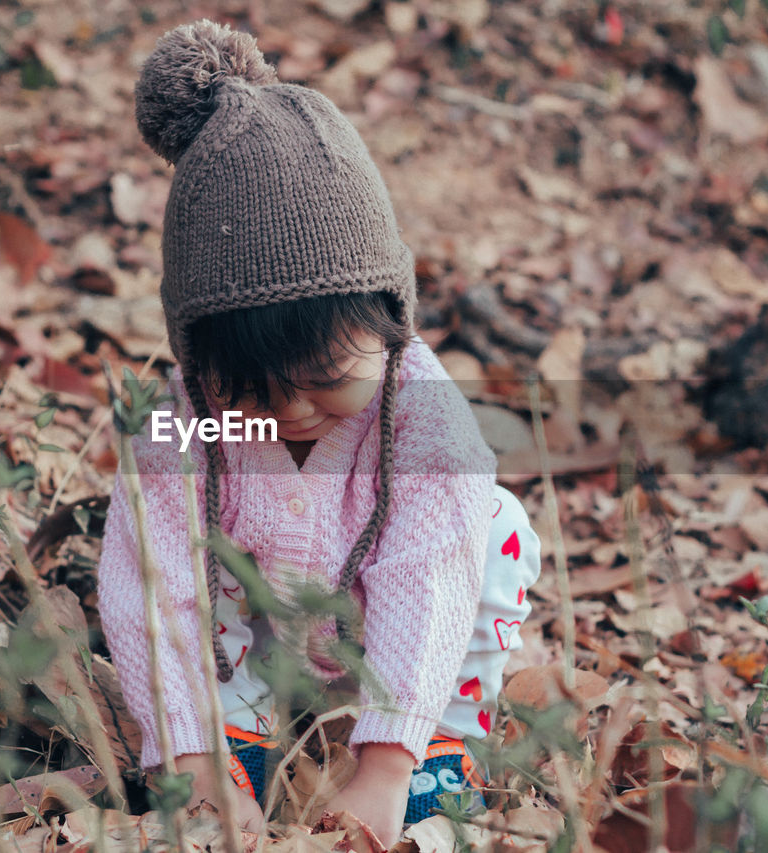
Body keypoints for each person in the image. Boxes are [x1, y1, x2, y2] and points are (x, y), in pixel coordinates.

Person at [96, 19, 542, 846]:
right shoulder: (180, 424)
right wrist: (183, 755)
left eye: (329, 379)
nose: (294, 410)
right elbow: (154, 584)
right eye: (252, 389)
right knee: (194, 562)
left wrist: (386, 765)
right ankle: (230, 735)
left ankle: (442, 735)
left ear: (389, 325)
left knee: (496, 532)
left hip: (389, 625)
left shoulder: (423, 416)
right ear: (199, 366)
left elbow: (427, 577)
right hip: (259, 633)